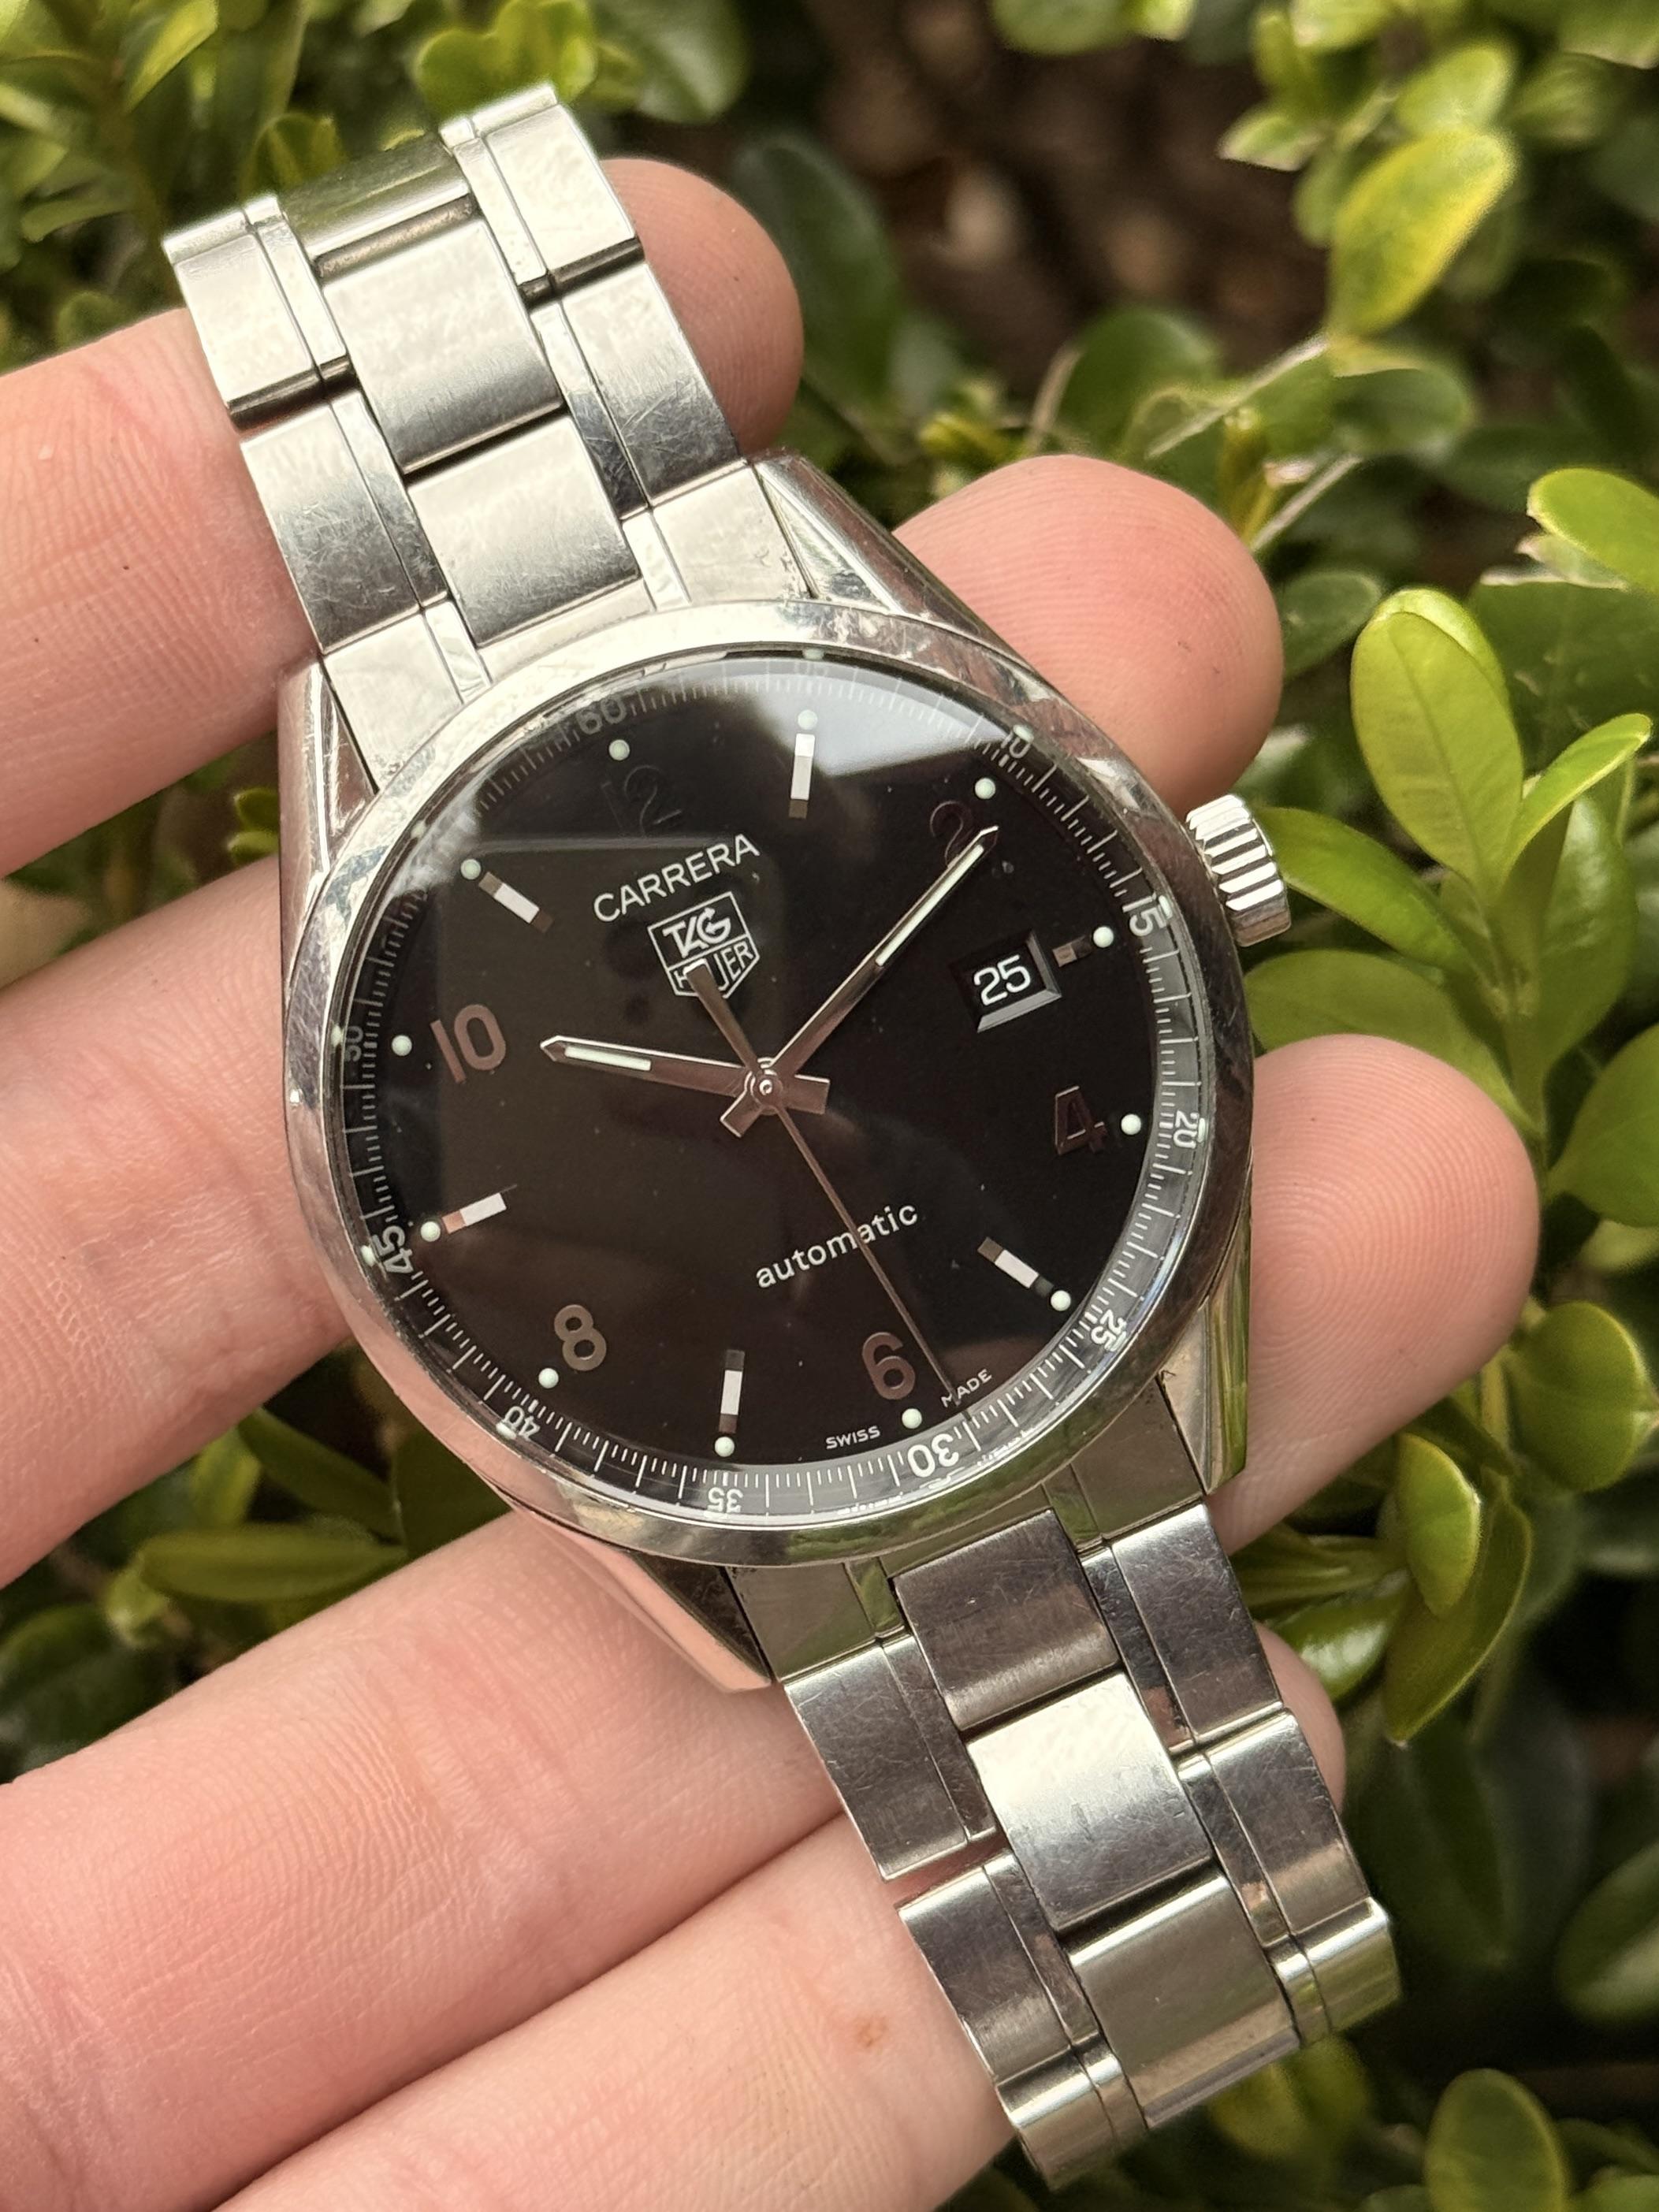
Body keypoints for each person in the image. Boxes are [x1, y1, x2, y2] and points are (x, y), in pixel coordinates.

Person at [0, 158, 1537, 2210]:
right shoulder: (438, 1086)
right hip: (806, 1435)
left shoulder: (952, 816)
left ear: (1202, 891)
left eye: (778, 1046)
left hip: (1025, 1350)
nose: (761, 1083)